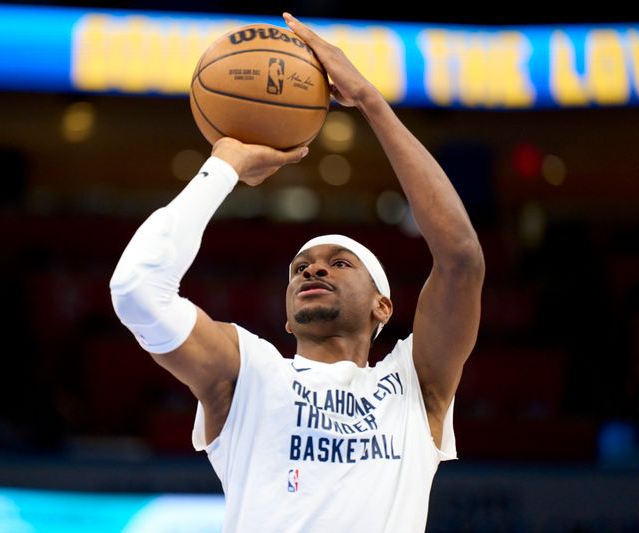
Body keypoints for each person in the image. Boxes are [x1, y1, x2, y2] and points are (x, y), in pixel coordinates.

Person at [110, 12, 484, 533]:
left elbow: (461, 258)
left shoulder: (413, 387)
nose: (314, 269)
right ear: (286, 317)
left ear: (383, 305)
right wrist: (225, 166)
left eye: (339, 262)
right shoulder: (251, 376)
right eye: (300, 267)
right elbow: (135, 289)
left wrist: (372, 103)